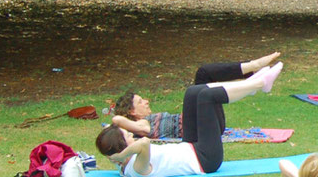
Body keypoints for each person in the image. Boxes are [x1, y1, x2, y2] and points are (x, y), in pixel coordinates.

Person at [95, 62, 283, 177]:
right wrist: (120, 157)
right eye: (127, 136)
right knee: (206, 97)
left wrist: (121, 153)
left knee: (193, 92)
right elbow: (144, 143)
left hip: (190, 145)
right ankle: (258, 84)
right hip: (205, 160)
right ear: (122, 147)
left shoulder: (130, 162)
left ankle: (251, 86)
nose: (131, 136)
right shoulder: (135, 170)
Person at [110, 52, 281, 140]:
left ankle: (252, 69)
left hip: (205, 121)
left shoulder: (147, 121)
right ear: (132, 112)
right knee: (196, 92)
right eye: (140, 102)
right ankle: (255, 83)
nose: (146, 101)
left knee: (203, 73)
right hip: (203, 128)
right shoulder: (141, 126)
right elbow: (117, 120)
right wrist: (116, 121)